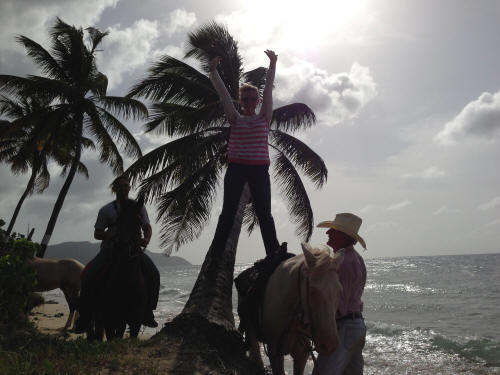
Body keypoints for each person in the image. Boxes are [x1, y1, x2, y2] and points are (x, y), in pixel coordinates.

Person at [208, 50, 285, 257]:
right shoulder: (235, 118)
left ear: (258, 101)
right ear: (241, 101)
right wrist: (213, 72)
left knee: (264, 214)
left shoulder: (264, 118)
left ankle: (274, 253)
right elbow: (223, 95)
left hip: (259, 170)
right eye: (246, 99)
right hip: (237, 169)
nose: (250, 102)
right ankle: (217, 253)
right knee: (228, 213)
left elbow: (268, 89)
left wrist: (273, 65)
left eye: (253, 99)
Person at [73, 175, 159, 333]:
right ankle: (84, 318)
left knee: (154, 274)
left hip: (133, 250)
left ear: (129, 188)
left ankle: (148, 312)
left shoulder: (138, 207)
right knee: (87, 275)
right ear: (114, 189)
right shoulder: (106, 210)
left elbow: (147, 226)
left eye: (126, 186)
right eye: (120, 187)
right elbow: (97, 233)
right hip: (110, 250)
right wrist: (109, 235)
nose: (123, 189)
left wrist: (146, 238)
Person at [313, 212, 367, 375]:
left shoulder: (341, 262)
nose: (328, 233)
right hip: (357, 325)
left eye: (333, 230)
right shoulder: (357, 259)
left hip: (343, 327)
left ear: (342, 236)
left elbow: (337, 306)